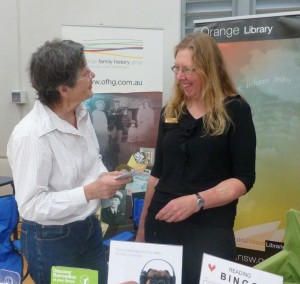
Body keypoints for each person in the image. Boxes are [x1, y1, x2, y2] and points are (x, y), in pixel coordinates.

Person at [7, 39, 131, 284]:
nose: (92, 74)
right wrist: (88, 192)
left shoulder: (82, 114)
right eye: (85, 72)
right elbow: (31, 206)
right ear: (64, 89)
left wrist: (105, 177)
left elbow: (92, 160)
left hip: (89, 227)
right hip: (51, 240)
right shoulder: (31, 135)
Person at [135, 32, 256, 284]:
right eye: (176, 68)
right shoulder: (171, 111)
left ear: (208, 69)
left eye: (187, 69)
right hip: (163, 225)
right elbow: (157, 174)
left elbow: (243, 179)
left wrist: (197, 201)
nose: (179, 77)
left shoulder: (236, 110)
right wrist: (143, 228)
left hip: (209, 229)